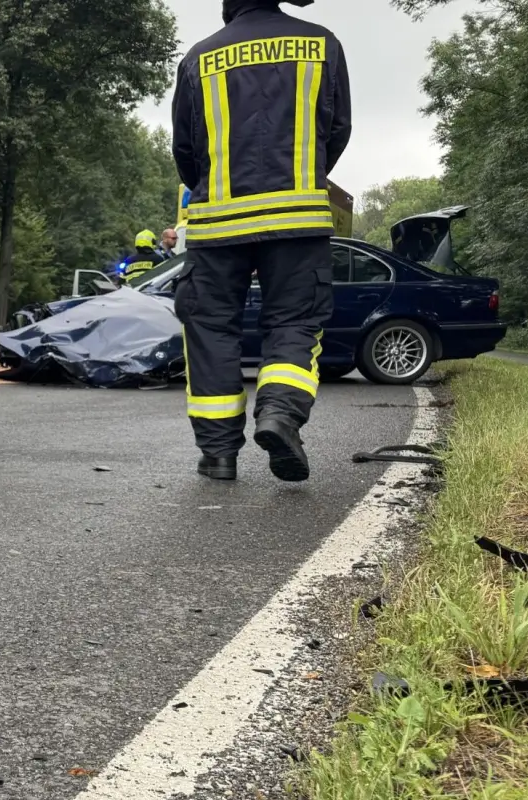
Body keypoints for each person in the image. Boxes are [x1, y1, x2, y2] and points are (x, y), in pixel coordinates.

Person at [171, 0, 350, 481]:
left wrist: (213, 188)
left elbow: (186, 150)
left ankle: (219, 454)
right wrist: (303, 178)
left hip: (218, 223)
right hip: (297, 217)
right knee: (294, 320)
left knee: (210, 329)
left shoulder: (199, 57)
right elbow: (336, 130)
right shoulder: (321, 42)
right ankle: (279, 415)